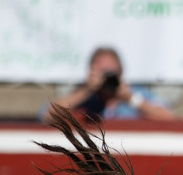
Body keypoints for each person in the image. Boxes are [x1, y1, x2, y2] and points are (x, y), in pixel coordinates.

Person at [43, 47, 174, 123]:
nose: (106, 79)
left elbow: (168, 117)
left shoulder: (135, 94)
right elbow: (46, 116)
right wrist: (86, 90)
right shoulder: (83, 97)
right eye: (101, 73)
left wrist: (130, 98)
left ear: (121, 72)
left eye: (110, 74)